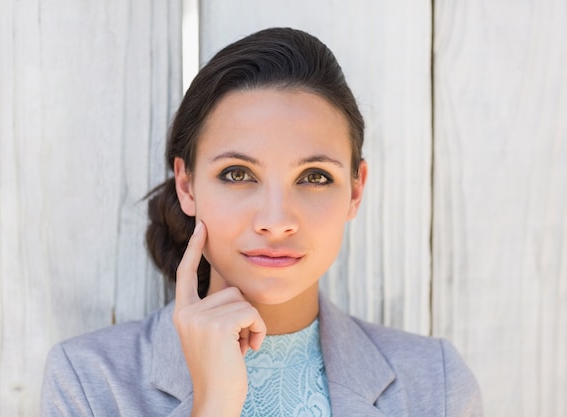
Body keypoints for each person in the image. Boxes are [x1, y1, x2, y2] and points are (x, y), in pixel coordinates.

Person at [41, 27, 482, 416]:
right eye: (238, 174)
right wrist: (212, 405)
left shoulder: (437, 385)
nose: (276, 221)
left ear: (355, 189)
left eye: (314, 177)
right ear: (187, 186)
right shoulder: (89, 382)